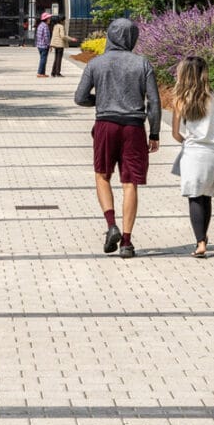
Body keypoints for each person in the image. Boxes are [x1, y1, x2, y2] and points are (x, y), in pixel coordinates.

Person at [73, 18, 161, 258]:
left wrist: (101, 101)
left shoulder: (96, 64)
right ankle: (126, 242)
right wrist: (154, 132)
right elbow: (153, 101)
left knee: (102, 175)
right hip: (133, 127)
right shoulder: (142, 63)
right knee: (129, 182)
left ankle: (111, 225)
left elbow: (80, 98)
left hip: (105, 125)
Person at [170, 56, 214, 258]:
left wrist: (187, 142)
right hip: (213, 154)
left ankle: (200, 242)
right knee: (206, 197)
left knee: (195, 198)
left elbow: (175, 133)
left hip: (192, 154)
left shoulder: (180, 99)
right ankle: (203, 237)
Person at [34, 10, 52, 77]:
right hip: (44, 46)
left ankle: (43, 73)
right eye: (49, 18)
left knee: (43, 59)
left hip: (39, 45)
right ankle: (39, 73)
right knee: (43, 60)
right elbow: (46, 37)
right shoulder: (45, 26)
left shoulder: (40, 25)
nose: (50, 20)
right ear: (46, 19)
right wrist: (49, 45)